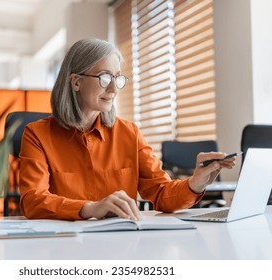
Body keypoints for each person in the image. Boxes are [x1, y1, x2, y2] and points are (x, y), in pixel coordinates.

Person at [19, 38, 235, 221]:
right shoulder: (37, 134)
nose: (113, 89)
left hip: (121, 244)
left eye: (117, 78)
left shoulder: (129, 133)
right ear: (76, 82)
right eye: (104, 77)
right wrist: (90, 208)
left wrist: (195, 183)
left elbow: (161, 193)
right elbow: (32, 200)